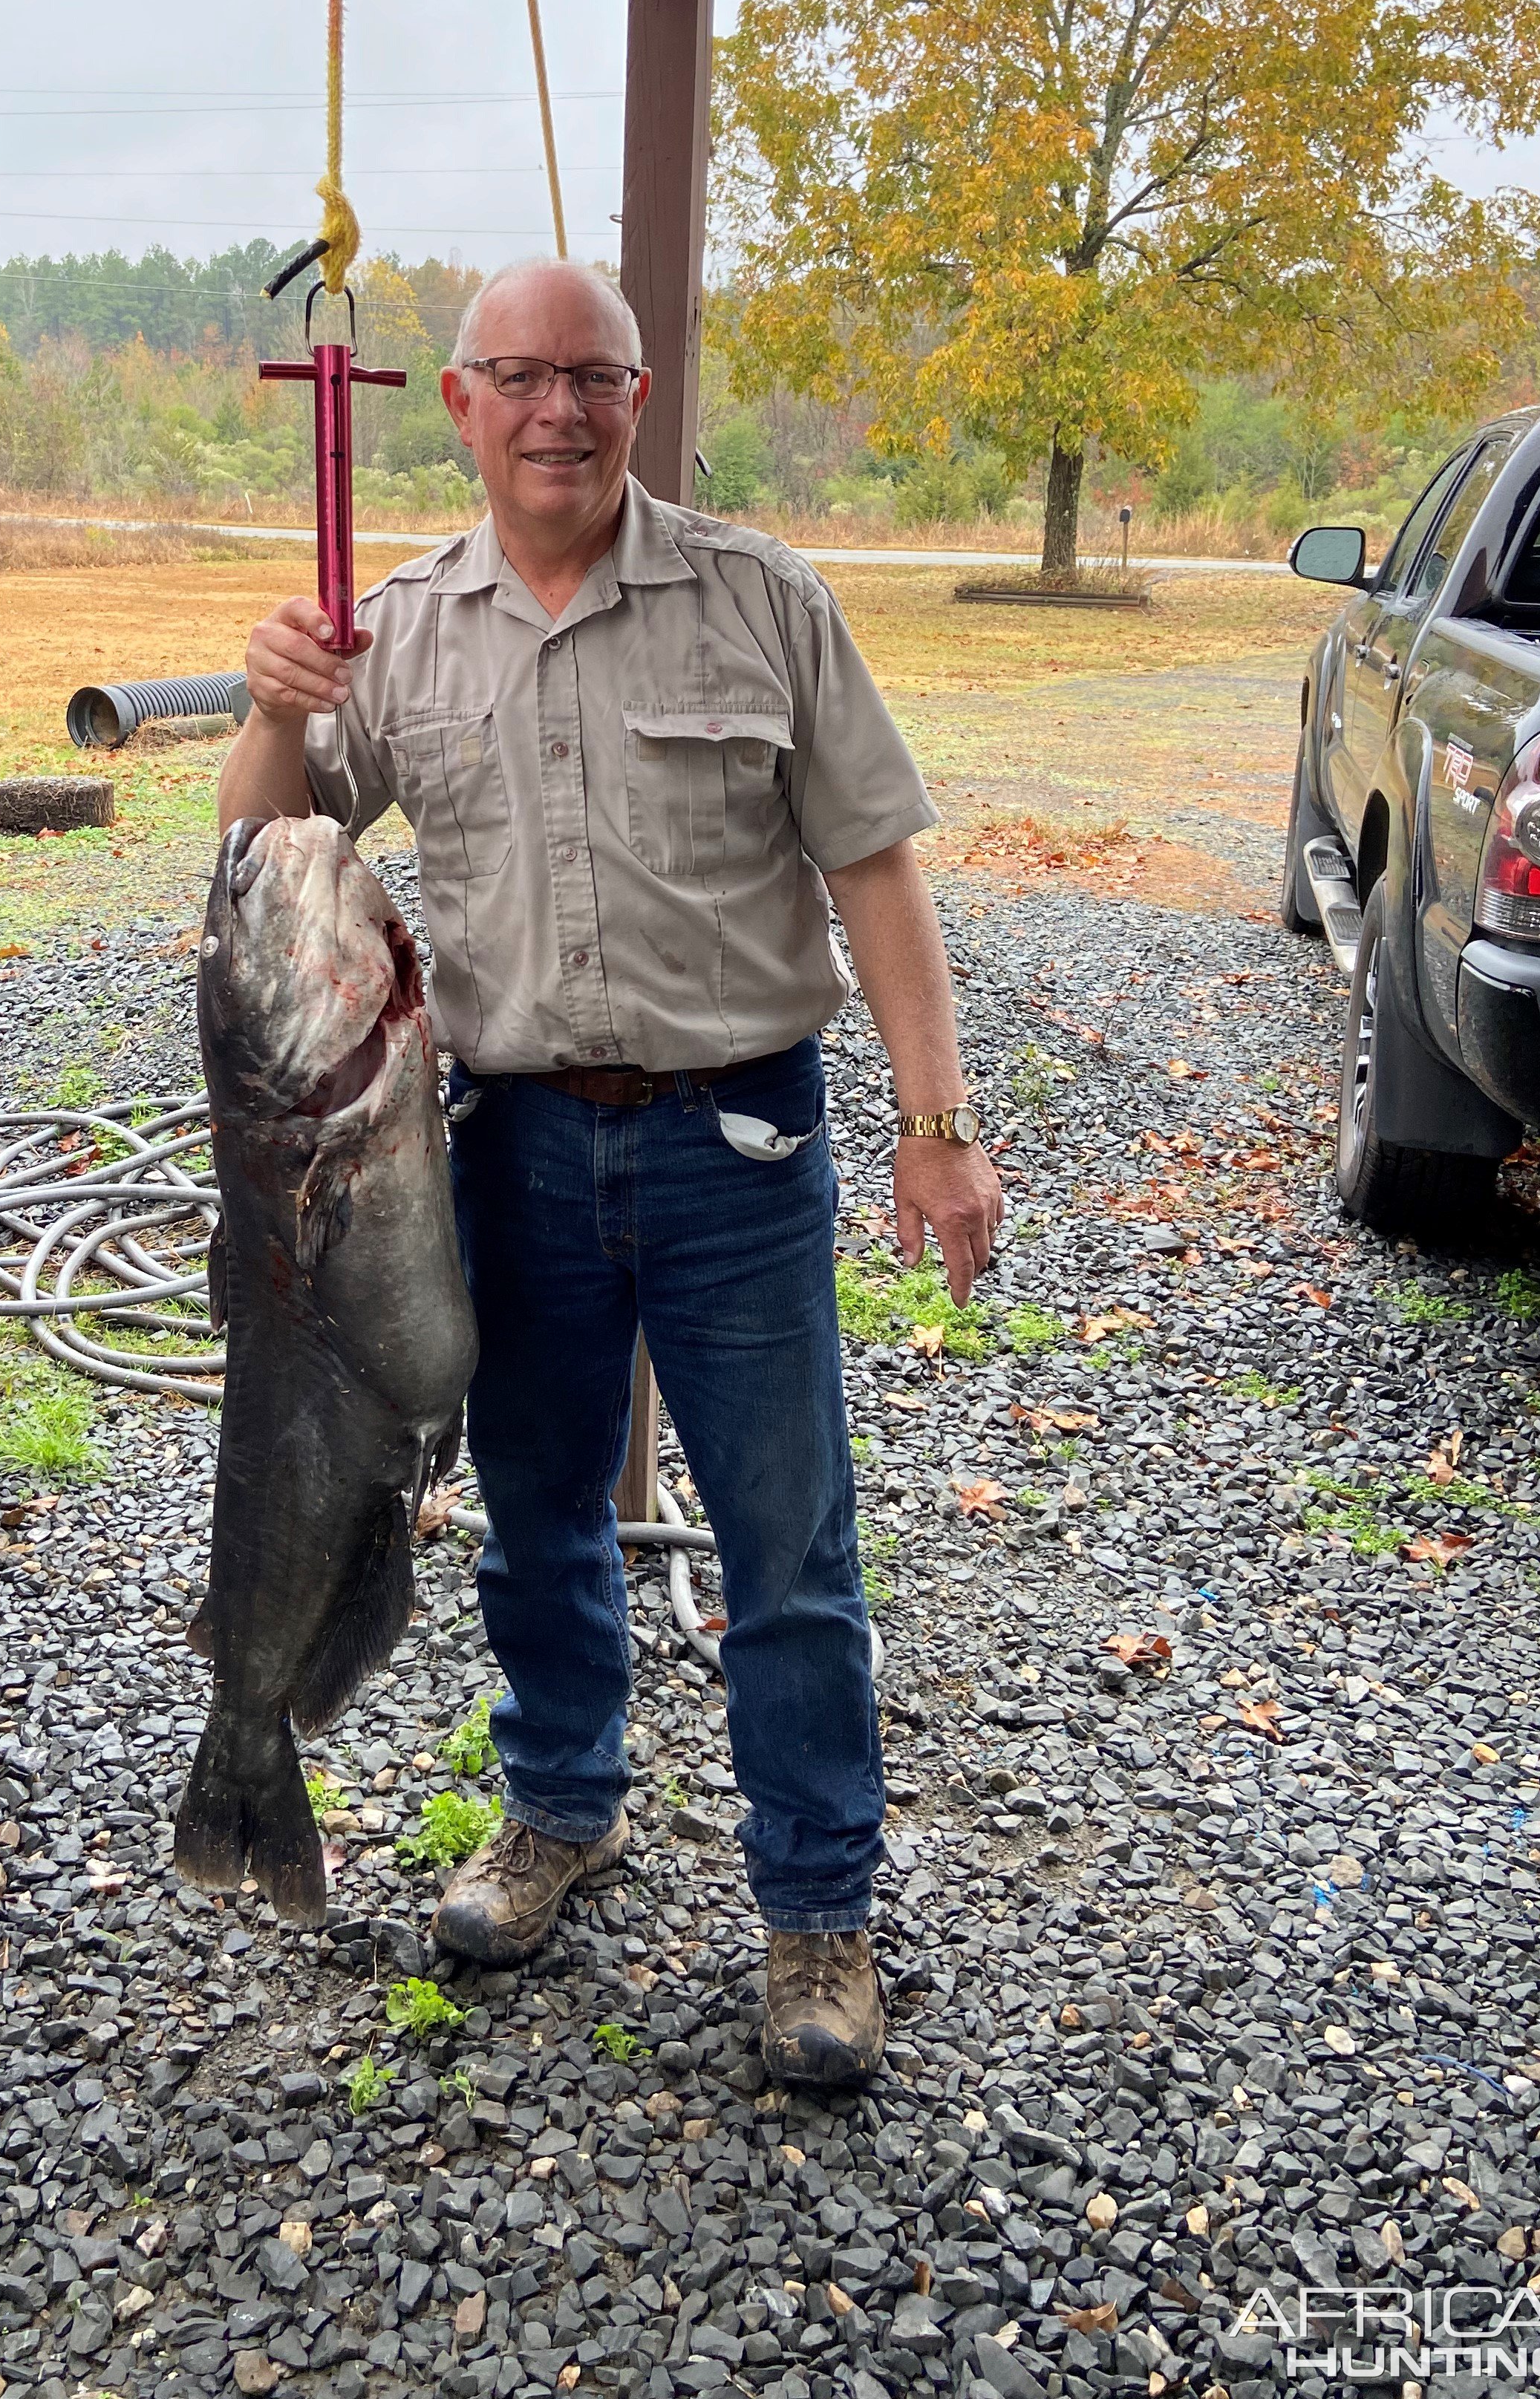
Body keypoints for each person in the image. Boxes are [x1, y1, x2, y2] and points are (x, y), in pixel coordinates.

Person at [219, 258, 1002, 2085]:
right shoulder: (399, 630)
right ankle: (562, 1807)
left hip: (742, 1142)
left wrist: (939, 1124)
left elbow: (877, 865)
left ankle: (817, 1914)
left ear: (639, 402)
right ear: (465, 406)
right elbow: (268, 858)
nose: (558, 409)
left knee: (788, 1547)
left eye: (594, 375)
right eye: (521, 376)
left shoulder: (761, 603)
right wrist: (272, 701)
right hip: (506, 1155)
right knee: (539, 1516)